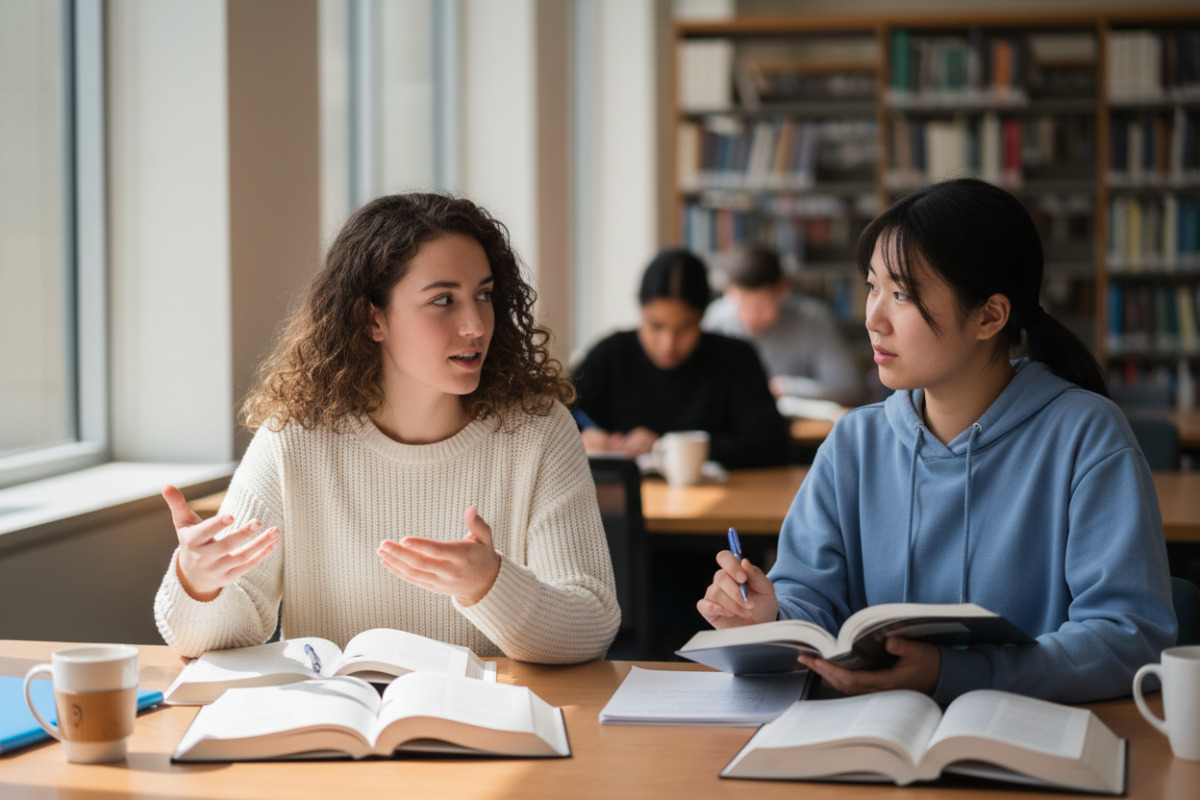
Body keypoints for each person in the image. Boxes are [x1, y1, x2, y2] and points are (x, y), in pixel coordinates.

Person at [698, 178, 1177, 704]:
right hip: (870, 741)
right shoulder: (855, 441)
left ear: (990, 316)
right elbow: (809, 598)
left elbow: (1129, 635)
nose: (872, 319)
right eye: (872, 287)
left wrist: (951, 672)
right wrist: (768, 614)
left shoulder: (1086, 435)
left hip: (1023, 744)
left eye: (902, 294)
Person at [154, 193, 620, 664]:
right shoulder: (292, 439)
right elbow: (208, 639)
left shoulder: (539, 430)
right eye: (443, 300)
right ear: (371, 318)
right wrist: (198, 582)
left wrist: (491, 583)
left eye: (483, 295)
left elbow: (592, 625)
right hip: (337, 728)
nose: (476, 324)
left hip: (484, 726)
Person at [571, 247, 790, 469]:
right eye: (655, 326)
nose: (668, 343)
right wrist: (583, 438)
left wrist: (667, 446)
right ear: (640, 309)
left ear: (703, 316)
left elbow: (773, 445)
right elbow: (561, 414)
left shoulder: (735, 359)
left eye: (685, 327)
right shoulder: (611, 354)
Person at [703, 245, 862, 406]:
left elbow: (847, 387)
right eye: (742, 304)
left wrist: (783, 387)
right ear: (728, 292)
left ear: (783, 290)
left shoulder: (813, 319)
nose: (751, 315)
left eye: (761, 305)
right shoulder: (716, 319)